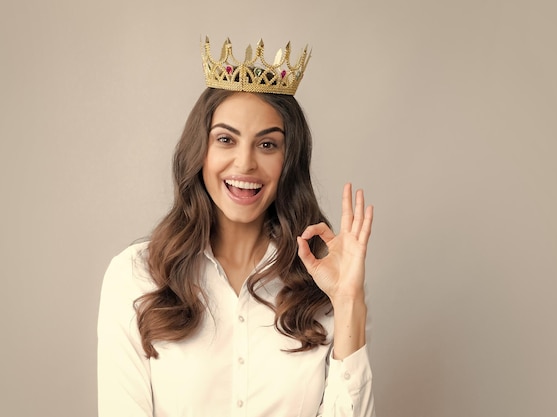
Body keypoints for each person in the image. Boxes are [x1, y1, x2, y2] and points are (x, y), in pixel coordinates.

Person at [97, 37, 376, 417]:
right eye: (226, 139)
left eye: (267, 145)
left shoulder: (325, 285)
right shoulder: (135, 277)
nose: (244, 164)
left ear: (288, 161)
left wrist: (348, 303)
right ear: (201, 151)